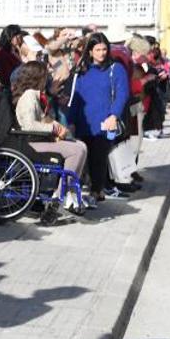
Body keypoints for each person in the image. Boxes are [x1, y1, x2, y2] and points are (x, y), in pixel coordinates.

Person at [12, 61, 89, 214]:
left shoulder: (36, 95)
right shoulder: (29, 96)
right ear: (38, 77)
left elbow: (42, 119)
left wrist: (58, 127)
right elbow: (29, 125)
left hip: (39, 139)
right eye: (46, 75)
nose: (49, 78)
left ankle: (70, 193)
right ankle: (59, 195)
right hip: (31, 142)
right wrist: (53, 128)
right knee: (76, 150)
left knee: (81, 146)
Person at [66, 32, 130, 202]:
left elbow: (122, 94)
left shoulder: (116, 69)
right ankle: (86, 191)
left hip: (105, 122)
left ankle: (97, 191)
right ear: (90, 51)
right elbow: (75, 98)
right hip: (83, 122)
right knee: (83, 159)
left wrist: (114, 115)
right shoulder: (81, 71)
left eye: (104, 49)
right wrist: (71, 121)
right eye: (98, 50)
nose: (102, 53)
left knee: (99, 157)